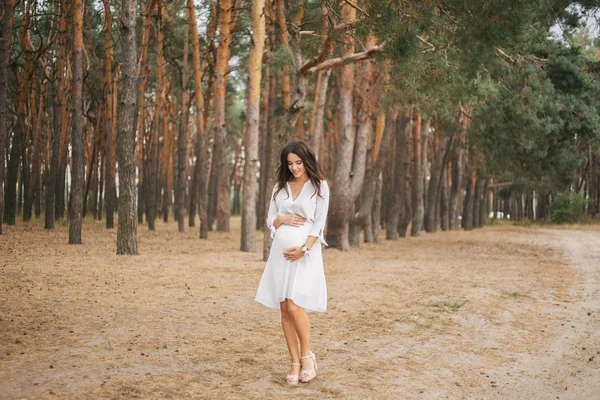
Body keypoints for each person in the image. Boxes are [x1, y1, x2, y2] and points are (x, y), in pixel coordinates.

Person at [255, 140, 330, 385]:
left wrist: (305, 249)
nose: (294, 168)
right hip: (280, 254)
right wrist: (282, 219)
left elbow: (319, 224)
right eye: (290, 163)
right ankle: (294, 362)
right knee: (284, 308)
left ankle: (308, 356)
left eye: (298, 162)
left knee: (295, 306)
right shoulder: (280, 186)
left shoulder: (320, 187)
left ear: (307, 160)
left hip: (305, 253)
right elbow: (270, 220)